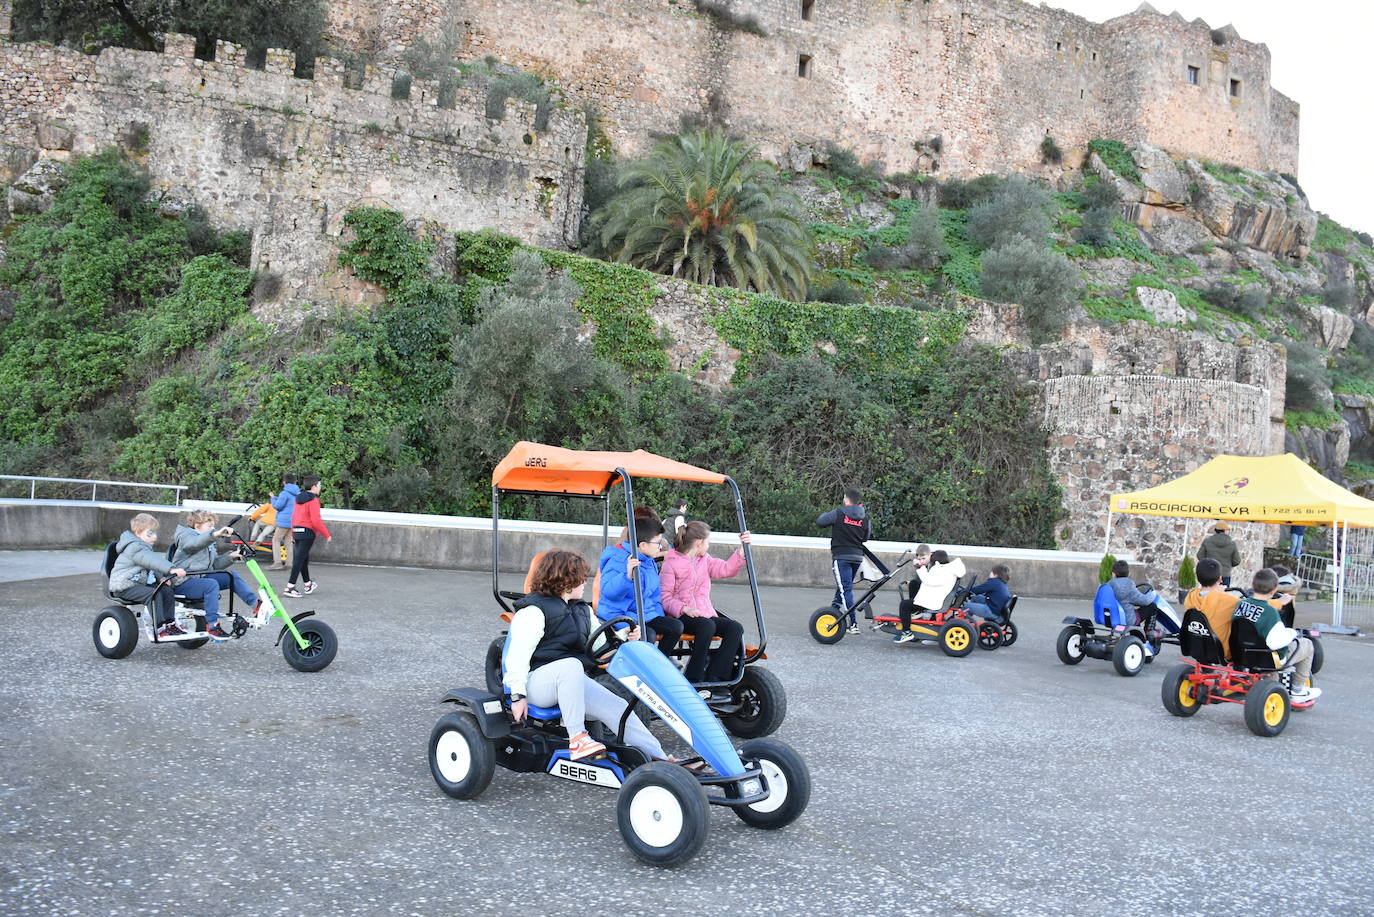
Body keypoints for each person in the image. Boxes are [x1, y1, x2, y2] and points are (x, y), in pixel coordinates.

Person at [504, 550, 667, 762]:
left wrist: (625, 636)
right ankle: (577, 739)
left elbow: (600, 644)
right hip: (536, 684)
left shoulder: (582, 610)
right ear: (565, 581)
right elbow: (516, 657)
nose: (585, 583)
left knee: (616, 705)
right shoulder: (533, 611)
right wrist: (516, 696)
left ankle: (660, 757)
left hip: (570, 680)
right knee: (571, 665)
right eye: (581, 579)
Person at [659, 521, 751, 694]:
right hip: (680, 615)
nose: (708, 546)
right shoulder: (671, 563)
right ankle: (693, 678)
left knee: (735, 627)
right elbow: (665, 598)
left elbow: (726, 569)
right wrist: (684, 609)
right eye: (708, 542)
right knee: (707, 626)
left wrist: (741, 551)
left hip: (703, 613)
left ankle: (716, 677)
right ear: (699, 542)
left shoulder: (704, 560)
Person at [596, 516, 683, 655]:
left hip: (643, 614)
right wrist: (627, 577)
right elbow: (607, 592)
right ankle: (641, 669)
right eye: (657, 543)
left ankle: (658, 663)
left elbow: (654, 597)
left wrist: (658, 615)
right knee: (648, 635)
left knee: (675, 627)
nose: (660, 547)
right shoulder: (618, 559)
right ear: (642, 545)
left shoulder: (649, 562)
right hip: (619, 614)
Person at [1232, 568, 1319, 705]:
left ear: (1252, 586)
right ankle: (1298, 689)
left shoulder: (1240, 604)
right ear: (1274, 590)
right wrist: (1291, 633)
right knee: (1307, 644)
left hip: (1245, 654)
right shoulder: (1270, 612)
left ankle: (1270, 681)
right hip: (1269, 657)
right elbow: (1277, 642)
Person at [172, 509, 263, 640]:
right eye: (209, 526)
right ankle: (213, 626)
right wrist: (214, 534)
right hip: (182, 582)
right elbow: (193, 544)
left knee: (231, 576)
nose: (213, 529)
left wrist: (230, 557)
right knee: (211, 585)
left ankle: (256, 605)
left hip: (201, 578)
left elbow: (214, 566)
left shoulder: (208, 542)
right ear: (197, 526)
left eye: (213, 526)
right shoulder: (185, 537)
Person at [107, 513, 192, 639]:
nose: (155, 537)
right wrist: (171, 569)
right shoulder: (134, 547)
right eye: (150, 533)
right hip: (124, 586)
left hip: (138, 583)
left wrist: (160, 578)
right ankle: (160, 627)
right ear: (138, 532)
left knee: (166, 590)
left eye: (155, 533)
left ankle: (170, 624)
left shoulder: (142, 546)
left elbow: (149, 566)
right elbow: (152, 560)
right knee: (153, 594)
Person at [817, 487, 870, 634]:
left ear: (846, 499)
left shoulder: (838, 513)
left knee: (846, 589)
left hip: (841, 556)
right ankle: (833, 610)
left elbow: (820, 521)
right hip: (857, 558)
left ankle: (853, 624)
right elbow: (865, 537)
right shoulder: (864, 518)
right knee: (844, 586)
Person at [894, 548, 963, 643]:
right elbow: (932, 582)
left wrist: (919, 567)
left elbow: (928, 580)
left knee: (904, 605)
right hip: (935, 595)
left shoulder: (942, 570)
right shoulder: (947, 569)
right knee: (914, 583)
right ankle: (916, 612)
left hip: (933, 601)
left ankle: (907, 632)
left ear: (936, 561)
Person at [284, 474, 331, 597]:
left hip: (297, 531)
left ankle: (307, 584)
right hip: (307, 532)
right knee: (299, 560)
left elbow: (295, 516)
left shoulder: (298, 498)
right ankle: (290, 587)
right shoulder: (314, 500)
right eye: (319, 485)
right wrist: (326, 534)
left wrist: (293, 532)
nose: (320, 487)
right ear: (314, 486)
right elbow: (316, 520)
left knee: (303, 558)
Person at [1183, 557, 1239, 658]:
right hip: (1221, 651)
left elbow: (1206, 598)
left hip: (1196, 647)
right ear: (1220, 579)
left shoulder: (1190, 596)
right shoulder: (1229, 600)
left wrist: (1216, 592)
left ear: (1198, 579)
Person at [1107, 559, 1163, 631]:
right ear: (1128, 573)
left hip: (1112, 618)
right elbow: (1145, 601)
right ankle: (1149, 631)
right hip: (1127, 620)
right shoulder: (1129, 585)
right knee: (1152, 606)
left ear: (1113, 574)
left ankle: (1137, 637)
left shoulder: (1108, 585)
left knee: (1134, 612)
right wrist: (1153, 593)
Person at [269, 474, 300, 571]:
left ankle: (277, 562)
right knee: (288, 542)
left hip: (283, 522)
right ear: (295, 482)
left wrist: (273, 498)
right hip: (293, 521)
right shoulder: (298, 494)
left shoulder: (284, 493)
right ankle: (289, 564)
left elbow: (278, 506)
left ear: (284, 482)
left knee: (276, 540)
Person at [1197, 521, 1241, 587]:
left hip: (1209, 573)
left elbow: (1199, 555)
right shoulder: (1232, 543)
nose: (1229, 531)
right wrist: (1228, 565)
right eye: (1228, 530)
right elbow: (1237, 561)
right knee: (1222, 595)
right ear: (1225, 531)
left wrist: (1208, 564)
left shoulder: (1207, 541)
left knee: (1208, 595)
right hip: (1225, 574)